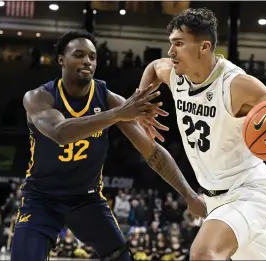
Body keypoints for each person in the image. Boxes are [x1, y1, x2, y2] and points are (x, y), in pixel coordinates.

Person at [138, 8, 266, 260]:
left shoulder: (236, 85)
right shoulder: (175, 74)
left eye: (178, 44)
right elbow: (154, 67)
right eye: (171, 44)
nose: (171, 52)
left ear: (204, 47)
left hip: (248, 190)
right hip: (214, 197)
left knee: (203, 253)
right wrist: (142, 102)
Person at [11, 31, 206, 261]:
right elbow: (60, 133)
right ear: (61, 59)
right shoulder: (38, 98)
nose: (88, 61)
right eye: (79, 55)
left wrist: (189, 195)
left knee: (121, 256)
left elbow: (153, 153)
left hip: (86, 199)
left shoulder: (107, 98)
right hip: (42, 198)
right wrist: (117, 114)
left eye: (93, 57)